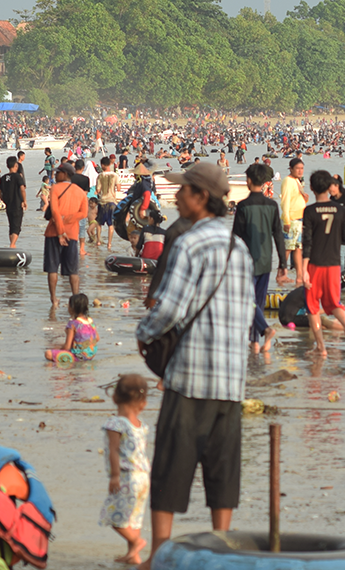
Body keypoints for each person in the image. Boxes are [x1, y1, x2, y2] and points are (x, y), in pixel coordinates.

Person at [134, 162, 253, 570]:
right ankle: (221, 548)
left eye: (184, 191)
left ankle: (159, 553)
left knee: (169, 467)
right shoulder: (239, 249)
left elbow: (169, 308)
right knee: (222, 472)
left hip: (189, 376)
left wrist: (143, 334)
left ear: (201, 198)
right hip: (231, 380)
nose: (178, 196)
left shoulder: (189, 243)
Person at [233, 163, 290, 354]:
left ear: (248, 181)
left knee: (246, 301)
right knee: (256, 302)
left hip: (246, 262)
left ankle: (264, 331)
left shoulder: (243, 206)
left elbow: (236, 237)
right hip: (266, 260)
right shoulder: (272, 205)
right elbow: (278, 235)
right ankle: (254, 342)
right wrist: (283, 263)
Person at [301, 170, 345, 355]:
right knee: (334, 304)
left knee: (312, 307)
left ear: (311, 188)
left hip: (315, 264)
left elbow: (307, 242)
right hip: (334, 264)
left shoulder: (309, 211)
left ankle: (321, 348)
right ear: (328, 187)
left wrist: (303, 269)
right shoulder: (340, 210)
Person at [101, 374, 151, 566]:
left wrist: (114, 476)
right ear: (143, 403)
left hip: (126, 477)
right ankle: (133, 555)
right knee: (135, 517)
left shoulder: (115, 423)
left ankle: (136, 542)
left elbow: (113, 451)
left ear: (114, 398)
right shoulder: (141, 425)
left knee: (113, 517)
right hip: (143, 477)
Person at [44, 163, 88, 313]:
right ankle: (75, 300)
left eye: (58, 173)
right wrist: (68, 220)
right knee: (73, 270)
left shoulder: (55, 188)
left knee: (52, 268)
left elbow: (55, 211)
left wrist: (60, 230)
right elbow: (84, 213)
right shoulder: (81, 192)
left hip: (54, 233)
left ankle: (54, 300)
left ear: (65, 174)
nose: (55, 176)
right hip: (72, 234)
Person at [46, 293, 99, 363]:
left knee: (48, 353)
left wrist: (57, 347)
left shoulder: (73, 324)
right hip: (91, 355)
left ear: (72, 308)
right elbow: (97, 338)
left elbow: (67, 347)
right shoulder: (90, 321)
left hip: (78, 356)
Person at [280, 158, 307, 284]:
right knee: (287, 249)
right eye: (297, 168)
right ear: (291, 169)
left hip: (299, 218)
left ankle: (299, 276)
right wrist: (286, 220)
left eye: (302, 168)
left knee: (298, 248)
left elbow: (297, 200)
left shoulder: (297, 181)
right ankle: (281, 274)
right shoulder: (287, 181)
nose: (300, 171)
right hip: (291, 219)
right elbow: (285, 201)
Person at [0, 155, 27, 249]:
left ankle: (12, 244)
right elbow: (22, 189)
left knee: (11, 225)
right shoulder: (17, 176)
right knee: (17, 226)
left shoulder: (3, 178)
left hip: (9, 205)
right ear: (16, 165)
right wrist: (24, 200)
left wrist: (4, 200)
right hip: (17, 204)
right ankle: (12, 245)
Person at [96, 155, 120, 250]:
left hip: (102, 201)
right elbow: (118, 188)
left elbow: (98, 190)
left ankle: (98, 241)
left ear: (102, 165)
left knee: (99, 224)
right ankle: (109, 244)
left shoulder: (100, 176)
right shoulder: (115, 175)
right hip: (112, 201)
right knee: (111, 225)